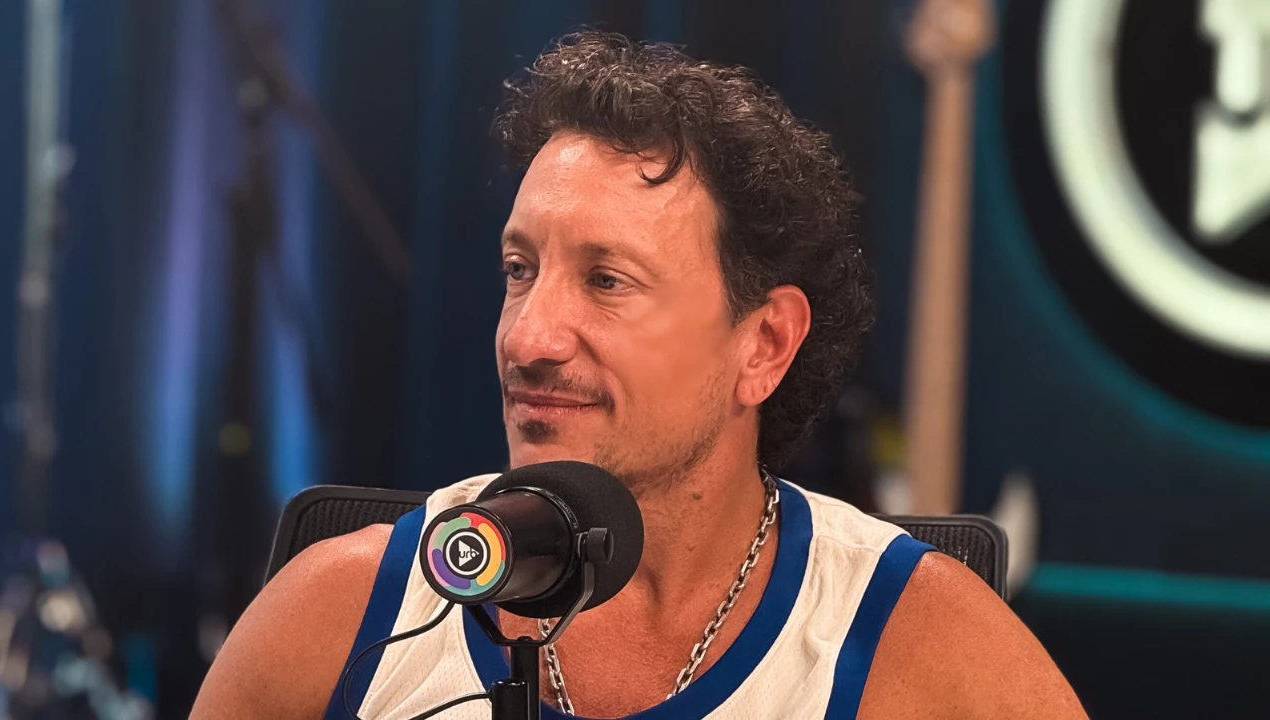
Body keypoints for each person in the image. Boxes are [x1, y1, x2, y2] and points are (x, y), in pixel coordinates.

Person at [191, 31, 1086, 720]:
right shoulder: (335, 619)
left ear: (764, 344)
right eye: (518, 270)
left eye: (607, 281)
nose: (529, 336)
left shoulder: (923, 648)